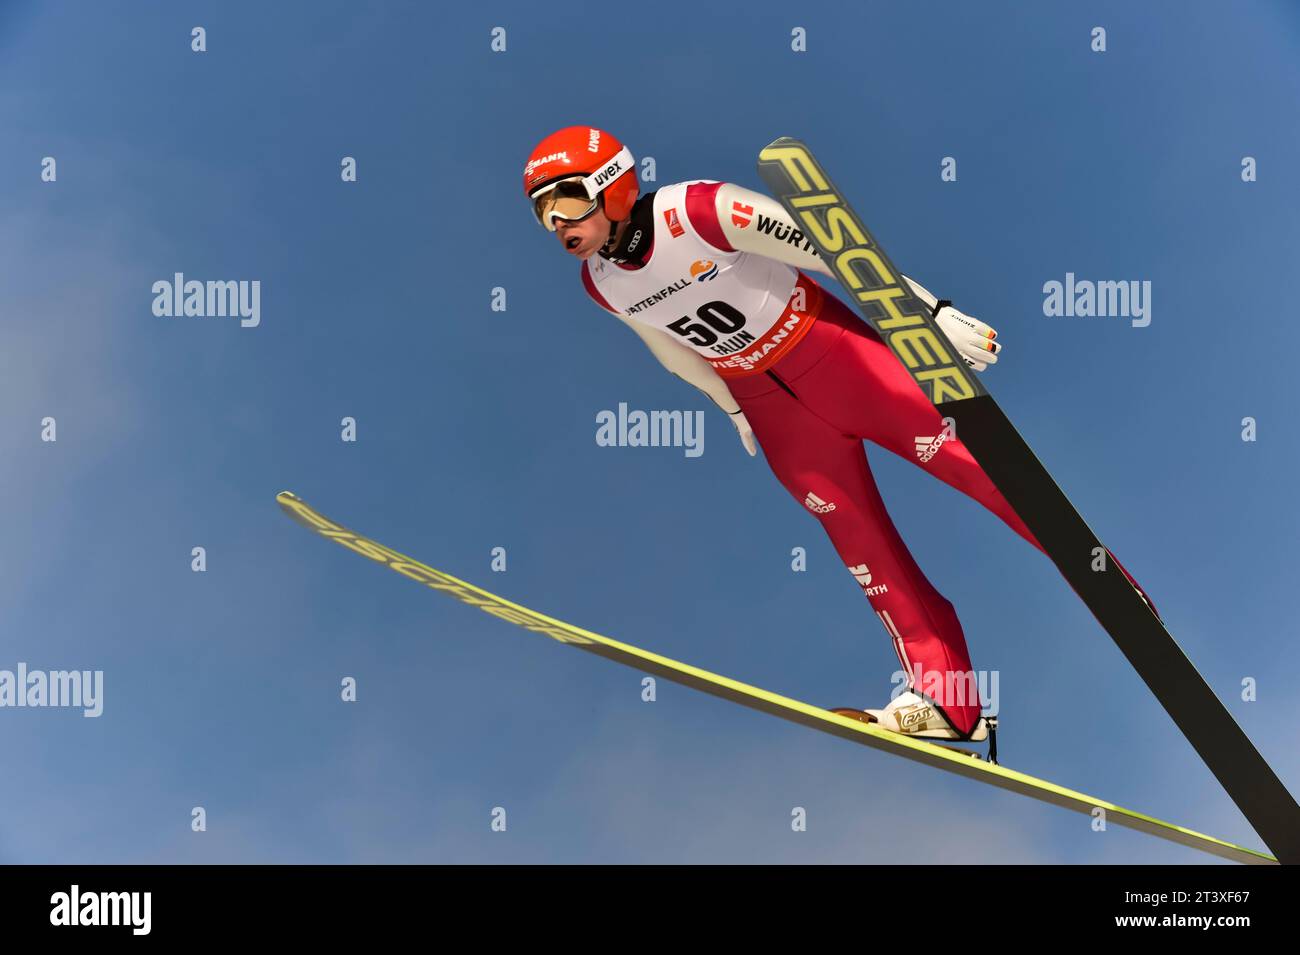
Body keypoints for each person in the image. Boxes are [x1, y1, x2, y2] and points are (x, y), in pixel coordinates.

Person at [522, 125, 1155, 746]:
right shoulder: (600, 283)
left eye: (566, 201)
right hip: (774, 412)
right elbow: (670, 352)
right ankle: (946, 701)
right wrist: (736, 412)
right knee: (864, 548)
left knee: (984, 471)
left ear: (612, 186)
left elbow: (830, 249)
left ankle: (1110, 588)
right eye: (543, 214)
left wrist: (926, 315)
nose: (557, 225)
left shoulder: (700, 209)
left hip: (844, 360)